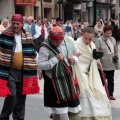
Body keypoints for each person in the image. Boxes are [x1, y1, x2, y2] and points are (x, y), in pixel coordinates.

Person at [0, 14, 40, 120]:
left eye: (18, 23)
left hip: (24, 71)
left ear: (22, 24)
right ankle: (4, 117)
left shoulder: (28, 36)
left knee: (21, 99)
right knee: (12, 95)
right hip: (9, 71)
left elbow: (33, 53)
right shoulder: (5, 35)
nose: (15, 26)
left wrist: (38, 68)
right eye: (13, 23)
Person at [38, 24, 81, 120]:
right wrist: (55, 59)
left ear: (62, 38)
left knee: (63, 108)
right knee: (58, 108)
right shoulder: (45, 47)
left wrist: (74, 58)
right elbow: (40, 65)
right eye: (53, 41)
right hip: (53, 81)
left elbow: (76, 53)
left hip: (67, 79)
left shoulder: (69, 40)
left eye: (58, 41)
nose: (55, 43)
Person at [69, 27, 112, 120]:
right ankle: (82, 115)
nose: (88, 41)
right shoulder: (75, 44)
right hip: (79, 71)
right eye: (86, 38)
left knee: (93, 91)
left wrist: (97, 61)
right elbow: (72, 57)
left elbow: (92, 56)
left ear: (93, 37)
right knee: (84, 90)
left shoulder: (92, 45)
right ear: (81, 35)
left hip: (92, 72)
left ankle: (95, 113)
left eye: (90, 39)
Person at [95, 25, 119, 100]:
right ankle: (100, 94)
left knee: (111, 80)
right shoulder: (99, 40)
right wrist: (98, 62)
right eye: (107, 33)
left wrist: (117, 63)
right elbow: (97, 52)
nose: (109, 35)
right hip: (102, 64)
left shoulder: (113, 39)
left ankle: (110, 94)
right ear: (104, 32)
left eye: (110, 33)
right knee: (102, 80)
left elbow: (116, 51)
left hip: (111, 63)